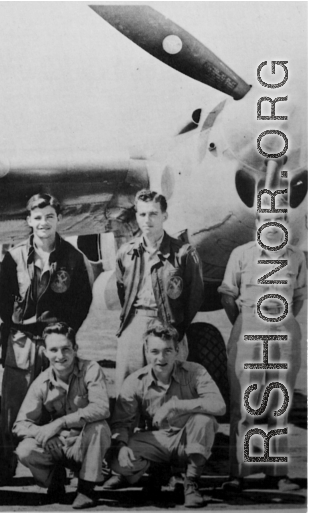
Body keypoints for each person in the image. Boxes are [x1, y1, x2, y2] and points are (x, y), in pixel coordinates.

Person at [0, 193, 93, 486]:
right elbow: (2, 300)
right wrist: (18, 326)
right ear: (28, 221)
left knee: (58, 404)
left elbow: (82, 300)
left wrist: (63, 335)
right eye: (37, 217)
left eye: (49, 216)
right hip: (22, 341)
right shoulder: (15, 256)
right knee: (13, 407)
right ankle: (2, 469)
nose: (43, 223)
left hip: (56, 343)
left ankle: (58, 465)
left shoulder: (72, 258)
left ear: (58, 219)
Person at [218, 211, 305, 492]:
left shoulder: (297, 257)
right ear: (256, 224)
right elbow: (227, 294)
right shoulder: (240, 254)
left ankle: (277, 474)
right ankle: (238, 473)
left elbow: (299, 297)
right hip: (247, 327)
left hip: (283, 331)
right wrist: (246, 323)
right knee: (244, 404)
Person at [108, 323, 226, 508]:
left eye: (167, 351)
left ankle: (191, 484)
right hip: (158, 441)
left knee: (204, 421)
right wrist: (122, 447)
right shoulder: (135, 381)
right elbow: (122, 423)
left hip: (187, 437)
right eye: (154, 351)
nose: (161, 358)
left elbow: (219, 406)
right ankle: (159, 472)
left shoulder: (195, 371)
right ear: (146, 351)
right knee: (116, 458)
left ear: (177, 350)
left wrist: (175, 405)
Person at [12, 322, 110, 509]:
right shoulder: (41, 382)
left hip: (84, 443)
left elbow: (102, 408)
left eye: (66, 349)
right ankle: (55, 483)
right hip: (58, 444)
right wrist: (44, 432)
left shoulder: (91, 369)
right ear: (45, 352)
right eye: (54, 350)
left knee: (99, 427)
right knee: (25, 449)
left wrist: (59, 423)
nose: (60, 356)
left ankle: (86, 490)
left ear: (75, 349)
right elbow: (20, 424)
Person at [114, 189, 204, 390]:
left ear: (165, 216)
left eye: (153, 214)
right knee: (128, 390)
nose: (147, 220)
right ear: (136, 216)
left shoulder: (184, 253)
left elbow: (195, 297)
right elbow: (122, 290)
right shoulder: (126, 253)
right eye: (142, 214)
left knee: (169, 391)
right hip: (135, 322)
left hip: (169, 325)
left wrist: (177, 328)